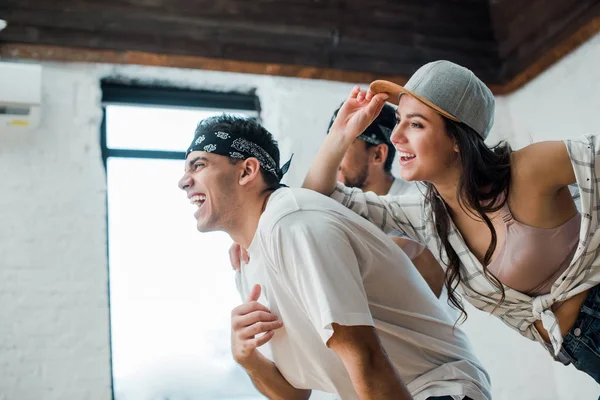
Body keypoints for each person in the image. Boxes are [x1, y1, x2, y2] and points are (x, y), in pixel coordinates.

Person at [303, 60, 600, 383]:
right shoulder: (427, 217)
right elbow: (319, 200)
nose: (396, 137)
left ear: (457, 138)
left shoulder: (529, 170)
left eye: (415, 125)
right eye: (398, 121)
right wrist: (342, 132)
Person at [178, 114, 491, 400]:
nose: (183, 181)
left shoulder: (293, 223)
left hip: (436, 389)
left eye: (199, 165)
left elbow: (363, 355)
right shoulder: (248, 264)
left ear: (247, 171)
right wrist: (246, 357)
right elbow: (295, 395)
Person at [329, 102, 445, 297]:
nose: (334, 158)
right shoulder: (344, 204)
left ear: (378, 154)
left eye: (345, 145)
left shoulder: (417, 198)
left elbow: (373, 266)